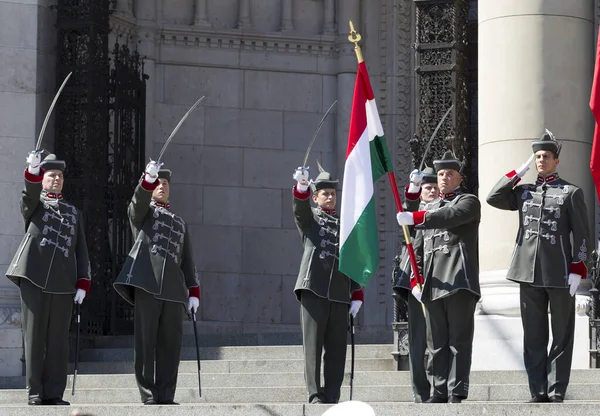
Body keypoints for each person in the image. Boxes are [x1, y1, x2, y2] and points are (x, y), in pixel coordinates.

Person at [486, 130, 591, 403]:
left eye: (546, 156)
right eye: (537, 156)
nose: (541, 160)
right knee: (533, 336)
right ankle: (538, 390)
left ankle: (556, 390)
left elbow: (581, 234)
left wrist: (578, 268)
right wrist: (517, 173)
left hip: (559, 273)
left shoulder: (570, 192)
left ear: (556, 161)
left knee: (561, 336)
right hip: (527, 272)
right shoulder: (523, 192)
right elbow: (494, 197)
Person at [6, 152, 91, 406]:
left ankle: (54, 392)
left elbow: (81, 250)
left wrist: (83, 282)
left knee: (57, 341)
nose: (57, 179)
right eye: (52, 175)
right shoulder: (36, 204)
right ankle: (34, 391)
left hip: (63, 284)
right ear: (43, 179)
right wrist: (31, 171)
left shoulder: (73, 213)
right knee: (34, 338)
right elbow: (28, 195)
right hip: (33, 278)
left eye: (60, 176)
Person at [396, 151, 481, 403]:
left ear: (459, 178)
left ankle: (457, 390)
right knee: (436, 343)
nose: (444, 178)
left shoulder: (468, 202)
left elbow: (449, 217)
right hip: (433, 284)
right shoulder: (429, 207)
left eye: (449, 174)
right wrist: (415, 281)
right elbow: (417, 248)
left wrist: (417, 216)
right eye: (441, 174)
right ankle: (439, 390)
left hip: (458, 280)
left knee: (458, 341)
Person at [114, 161, 200, 405]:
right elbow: (135, 205)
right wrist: (146, 181)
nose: (162, 187)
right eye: (158, 183)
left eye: (165, 184)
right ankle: (148, 394)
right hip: (147, 284)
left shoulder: (179, 222)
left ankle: (166, 394)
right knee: (145, 343)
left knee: (170, 346)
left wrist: (193, 290)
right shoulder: (143, 214)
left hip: (173, 289)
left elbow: (188, 259)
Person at [292, 165, 364, 404]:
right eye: (325, 193)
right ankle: (315, 394)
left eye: (333, 193)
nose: (330, 197)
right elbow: (300, 211)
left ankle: (333, 394)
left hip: (340, 294)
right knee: (313, 347)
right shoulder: (312, 219)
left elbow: (353, 260)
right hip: (313, 288)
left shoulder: (345, 226)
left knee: (336, 351)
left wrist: (357, 293)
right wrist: (301, 187)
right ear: (316, 197)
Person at [392, 167, 438, 403]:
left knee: (438, 339)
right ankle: (420, 390)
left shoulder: (445, 210)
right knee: (419, 340)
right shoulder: (413, 213)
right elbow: (408, 212)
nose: (431, 191)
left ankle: (439, 387)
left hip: (439, 281)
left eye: (434, 188)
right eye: (427, 188)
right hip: (416, 283)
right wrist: (413, 188)